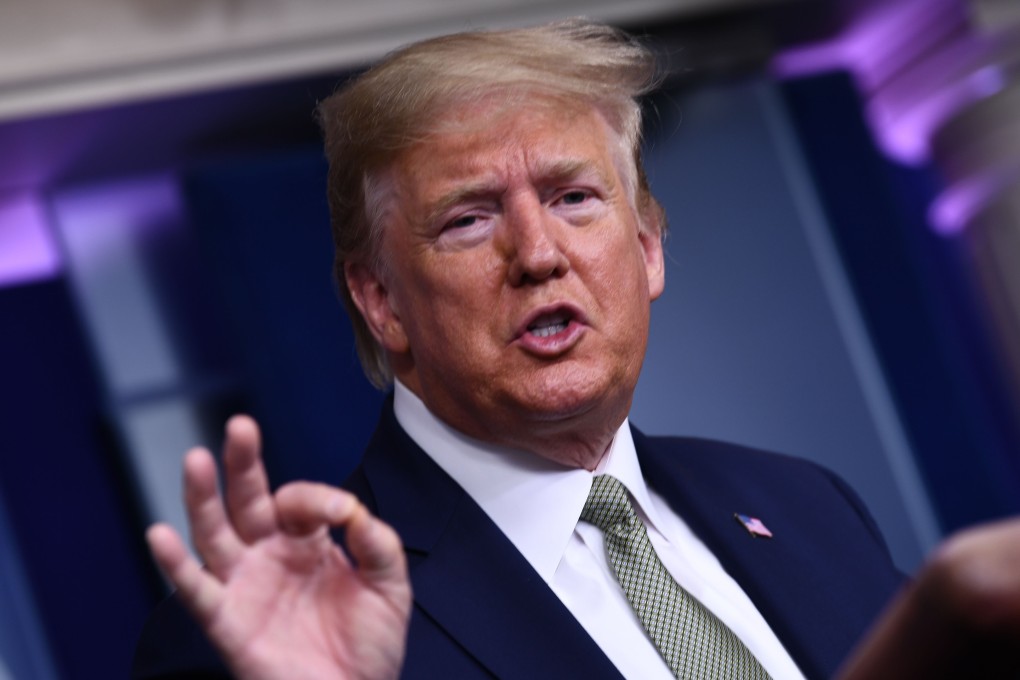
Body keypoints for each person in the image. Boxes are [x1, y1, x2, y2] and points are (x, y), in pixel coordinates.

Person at [133, 19, 1020, 680]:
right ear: (380, 302)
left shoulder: (802, 500)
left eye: (574, 198)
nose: (540, 253)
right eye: (470, 219)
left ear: (647, 250)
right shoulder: (278, 628)